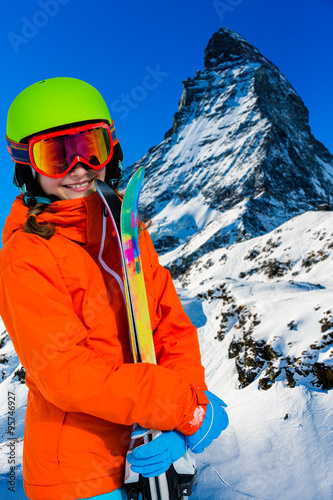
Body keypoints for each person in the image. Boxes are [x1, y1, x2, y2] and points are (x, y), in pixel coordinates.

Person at [0, 77, 229, 500]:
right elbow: (64, 373)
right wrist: (182, 406)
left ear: (112, 149)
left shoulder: (128, 234)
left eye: (92, 147)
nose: (80, 167)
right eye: (57, 155)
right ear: (27, 166)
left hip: (155, 454)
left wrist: (180, 418)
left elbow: (169, 327)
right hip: (77, 478)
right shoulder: (25, 255)